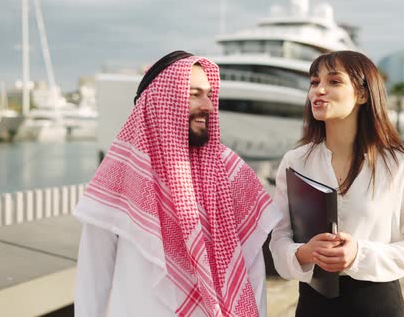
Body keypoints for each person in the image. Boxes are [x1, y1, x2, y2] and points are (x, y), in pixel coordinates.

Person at [73, 50, 281, 317]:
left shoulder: (231, 172)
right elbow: (94, 276)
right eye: (194, 94)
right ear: (161, 101)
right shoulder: (121, 173)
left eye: (208, 94)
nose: (208, 105)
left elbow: (251, 269)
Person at [269, 51, 404, 316]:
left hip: (377, 304)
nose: (318, 90)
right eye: (314, 82)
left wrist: (359, 253)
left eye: (334, 81)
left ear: (363, 94)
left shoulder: (402, 164)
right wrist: (303, 253)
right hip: (313, 304)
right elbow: (278, 238)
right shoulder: (295, 161)